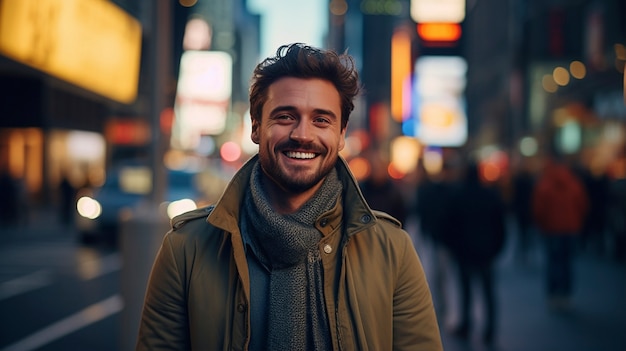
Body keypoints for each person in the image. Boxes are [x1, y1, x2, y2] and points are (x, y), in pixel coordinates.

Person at [136, 43, 443, 350]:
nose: (302, 135)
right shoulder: (186, 248)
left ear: (341, 134)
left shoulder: (392, 249)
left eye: (321, 120)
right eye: (285, 116)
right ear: (256, 126)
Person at [441, 161, 506, 346]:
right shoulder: (490, 195)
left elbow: (448, 226)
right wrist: (495, 249)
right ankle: (490, 329)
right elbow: (500, 226)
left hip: (464, 253)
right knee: (488, 292)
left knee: (466, 291)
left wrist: (454, 248)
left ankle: (466, 325)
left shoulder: (458, 196)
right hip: (486, 252)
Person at [531, 155, 588, 311]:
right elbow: (582, 205)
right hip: (571, 229)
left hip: (551, 230)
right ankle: (566, 294)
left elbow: (539, 210)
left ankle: (554, 294)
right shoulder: (574, 184)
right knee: (567, 262)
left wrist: (542, 225)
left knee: (553, 262)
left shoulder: (544, 185)